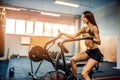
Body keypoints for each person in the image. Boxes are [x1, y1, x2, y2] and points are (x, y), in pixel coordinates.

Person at [60, 11, 103, 80]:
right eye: (82, 17)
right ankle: (74, 78)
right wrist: (63, 33)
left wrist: (91, 37)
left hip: (95, 53)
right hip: (88, 52)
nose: (82, 19)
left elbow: (99, 41)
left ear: (88, 18)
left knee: (84, 73)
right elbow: (73, 36)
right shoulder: (83, 29)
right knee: (72, 59)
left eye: (84, 17)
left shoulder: (94, 27)